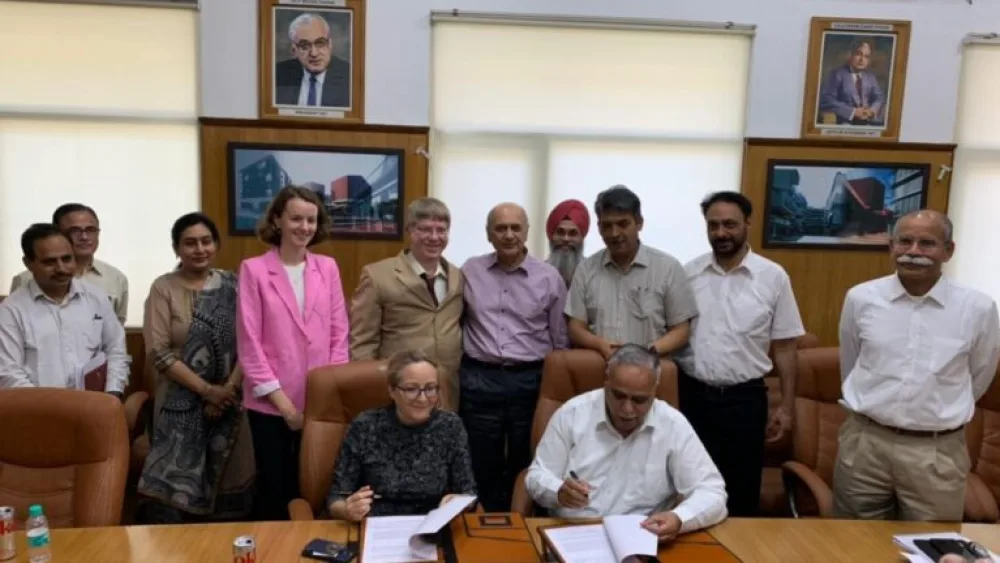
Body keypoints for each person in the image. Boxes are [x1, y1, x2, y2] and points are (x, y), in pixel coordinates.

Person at [835, 210, 1000, 521]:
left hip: (935, 451)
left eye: (927, 243)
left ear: (948, 251)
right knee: (853, 544)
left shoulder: (978, 308)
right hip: (866, 443)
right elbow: (852, 363)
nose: (914, 252)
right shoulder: (861, 298)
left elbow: (980, 375)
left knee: (931, 546)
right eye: (905, 241)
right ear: (891, 246)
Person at [675, 191, 805, 517]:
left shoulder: (773, 277)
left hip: (745, 401)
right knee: (689, 488)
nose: (721, 233)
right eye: (713, 225)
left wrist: (786, 407)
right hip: (692, 396)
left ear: (748, 223)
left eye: (730, 224)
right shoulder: (687, 274)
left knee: (742, 492)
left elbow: (786, 347)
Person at [524, 344, 727, 541]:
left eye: (639, 400)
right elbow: (536, 476)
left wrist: (678, 518)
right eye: (618, 395)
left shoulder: (672, 424)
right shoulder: (572, 414)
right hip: (574, 533)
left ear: (654, 392)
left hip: (643, 538)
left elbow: (712, 492)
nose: (627, 409)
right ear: (606, 383)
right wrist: (559, 492)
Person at [236, 185, 350, 520]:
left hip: (320, 401)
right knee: (275, 488)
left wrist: (331, 392)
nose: (304, 227)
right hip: (270, 402)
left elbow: (339, 333)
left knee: (313, 486)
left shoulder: (327, 267)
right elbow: (249, 343)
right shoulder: (253, 269)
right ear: (277, 221)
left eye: (311, 220)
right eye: (296, 218)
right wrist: (285, 407)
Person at [137, 213, 255, 523]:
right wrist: (206, 391)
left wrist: (226, 390)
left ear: (216, 244)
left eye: (206, 241)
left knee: (230, 490)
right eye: (190, 243)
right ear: (177, 248)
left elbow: (252, 343)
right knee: (176, 494)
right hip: (179, 402)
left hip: (232, 400)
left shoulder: (235, 285)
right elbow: (157, 352)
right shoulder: (163, 288)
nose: (199, 249)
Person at [460, 202, 568, 512]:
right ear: (488, 234)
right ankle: (484, 524)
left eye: (515, 228)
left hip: (530, 378)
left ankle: (520, 523)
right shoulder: (470, 270)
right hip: (480, 376)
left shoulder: (549, 277)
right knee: (481, 456)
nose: (509, 235)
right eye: (500, 228)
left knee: (527, 454)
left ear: (527, 232)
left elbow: (560, 337)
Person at [327, 350, 477, 520]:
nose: (423, 399)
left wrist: (459, 501)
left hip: (432, 525)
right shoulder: (365, 426)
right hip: (378, 526)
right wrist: (347, 510)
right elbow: (336, 498)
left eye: (430, 388)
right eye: (411, 389)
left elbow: (468, 493)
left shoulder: (450, 426)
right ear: (392, 390)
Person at [350, 198, 464, 410]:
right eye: (425, 229)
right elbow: (362, 342)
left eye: (441, 230)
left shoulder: (458, 277)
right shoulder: (377, 275)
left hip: (447, 390)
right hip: (399, 390)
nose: (434, 237)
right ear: (409, 231)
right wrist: (370, 387)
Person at [566, 185, 698, 360]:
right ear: (598, 227)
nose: (614, 233)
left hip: (651, 370)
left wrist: (646, 353)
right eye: (607, 225)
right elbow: (575, 327)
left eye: (623, 224)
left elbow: (681, 330)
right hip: (600, 366)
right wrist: (598, 344)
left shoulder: (668, 268)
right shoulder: (586, 268)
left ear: (639, 223)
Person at [0, 223, 128, 397]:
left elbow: (116, 350)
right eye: (49, 262)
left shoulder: (96, 297)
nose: (61, 268)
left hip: (94, 406)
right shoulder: (11, 310)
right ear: (28, 263)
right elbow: (8, 372)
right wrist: (52, 408)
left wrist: (113, 392)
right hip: (38, 412)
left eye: (67, 259)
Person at [10, 203, 129, 324]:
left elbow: (116, 330)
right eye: (75, 231)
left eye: (91, 230)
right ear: (57, 232)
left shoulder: (116, 279)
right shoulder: (25, 279)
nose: (84, 237)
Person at [275, 12, 351, 108]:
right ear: (294, 50)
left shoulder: (350, 76)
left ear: (330, 45)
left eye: (320, 43)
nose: (314, 53)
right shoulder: (277, 74)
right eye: (305, 46)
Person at [818, 39, 886, 126]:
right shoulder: (837, 74)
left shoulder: (870, 77)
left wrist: (872, 110)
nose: (862, 59)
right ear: (850, 55)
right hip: (846, 121)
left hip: (868, 121)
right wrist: (853, 112)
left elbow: (879, 97)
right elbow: (827, 100)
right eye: (858, 54)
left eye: (866, 56)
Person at [545, 199, 589, 287]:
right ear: (551, 236)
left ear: (582, 237)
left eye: (573, 233)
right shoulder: (538, 274)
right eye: (560, 232)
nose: (566, 239)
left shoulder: (591, 275)